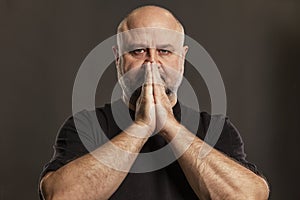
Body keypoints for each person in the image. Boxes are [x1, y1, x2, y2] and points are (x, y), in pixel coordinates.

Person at [39, 5, 269, 200]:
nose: (152, 62)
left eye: (165, 51)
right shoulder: (86, 125)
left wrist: (170, 127)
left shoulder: (213, 128)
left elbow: (250, 195)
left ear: (182, 59)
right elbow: (59, 195)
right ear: (118, 59)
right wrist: (142, 127)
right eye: (138, 51)